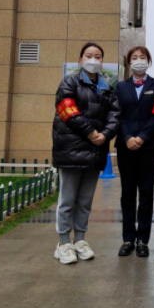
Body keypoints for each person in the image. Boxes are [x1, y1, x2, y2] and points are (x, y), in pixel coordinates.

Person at [52, 42, 120, 265]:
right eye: (89, 55)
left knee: (85, 200)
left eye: (98, 56)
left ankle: (80, 240)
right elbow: (67, 109)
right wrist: (91, 132)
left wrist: (106, 135)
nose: (93, 60)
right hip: (70, 150)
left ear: (102, 61)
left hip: (95, 151)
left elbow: (115, 115)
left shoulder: (107, 87)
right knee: (67, 199)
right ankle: (63, 243)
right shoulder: (69, 82)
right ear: (80, 60)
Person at [115, 46, 154, 258]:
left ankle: (143, 240)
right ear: (129, 62)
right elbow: (117, 115)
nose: (138, 61)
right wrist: (127, 137)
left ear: (148, 61)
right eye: (134, 58)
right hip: (125, 146)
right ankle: (128, 238)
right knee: (128, 193)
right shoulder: (120, 86)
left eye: (142, 57)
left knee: (146, 193)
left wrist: (143, 136)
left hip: (149, 146)